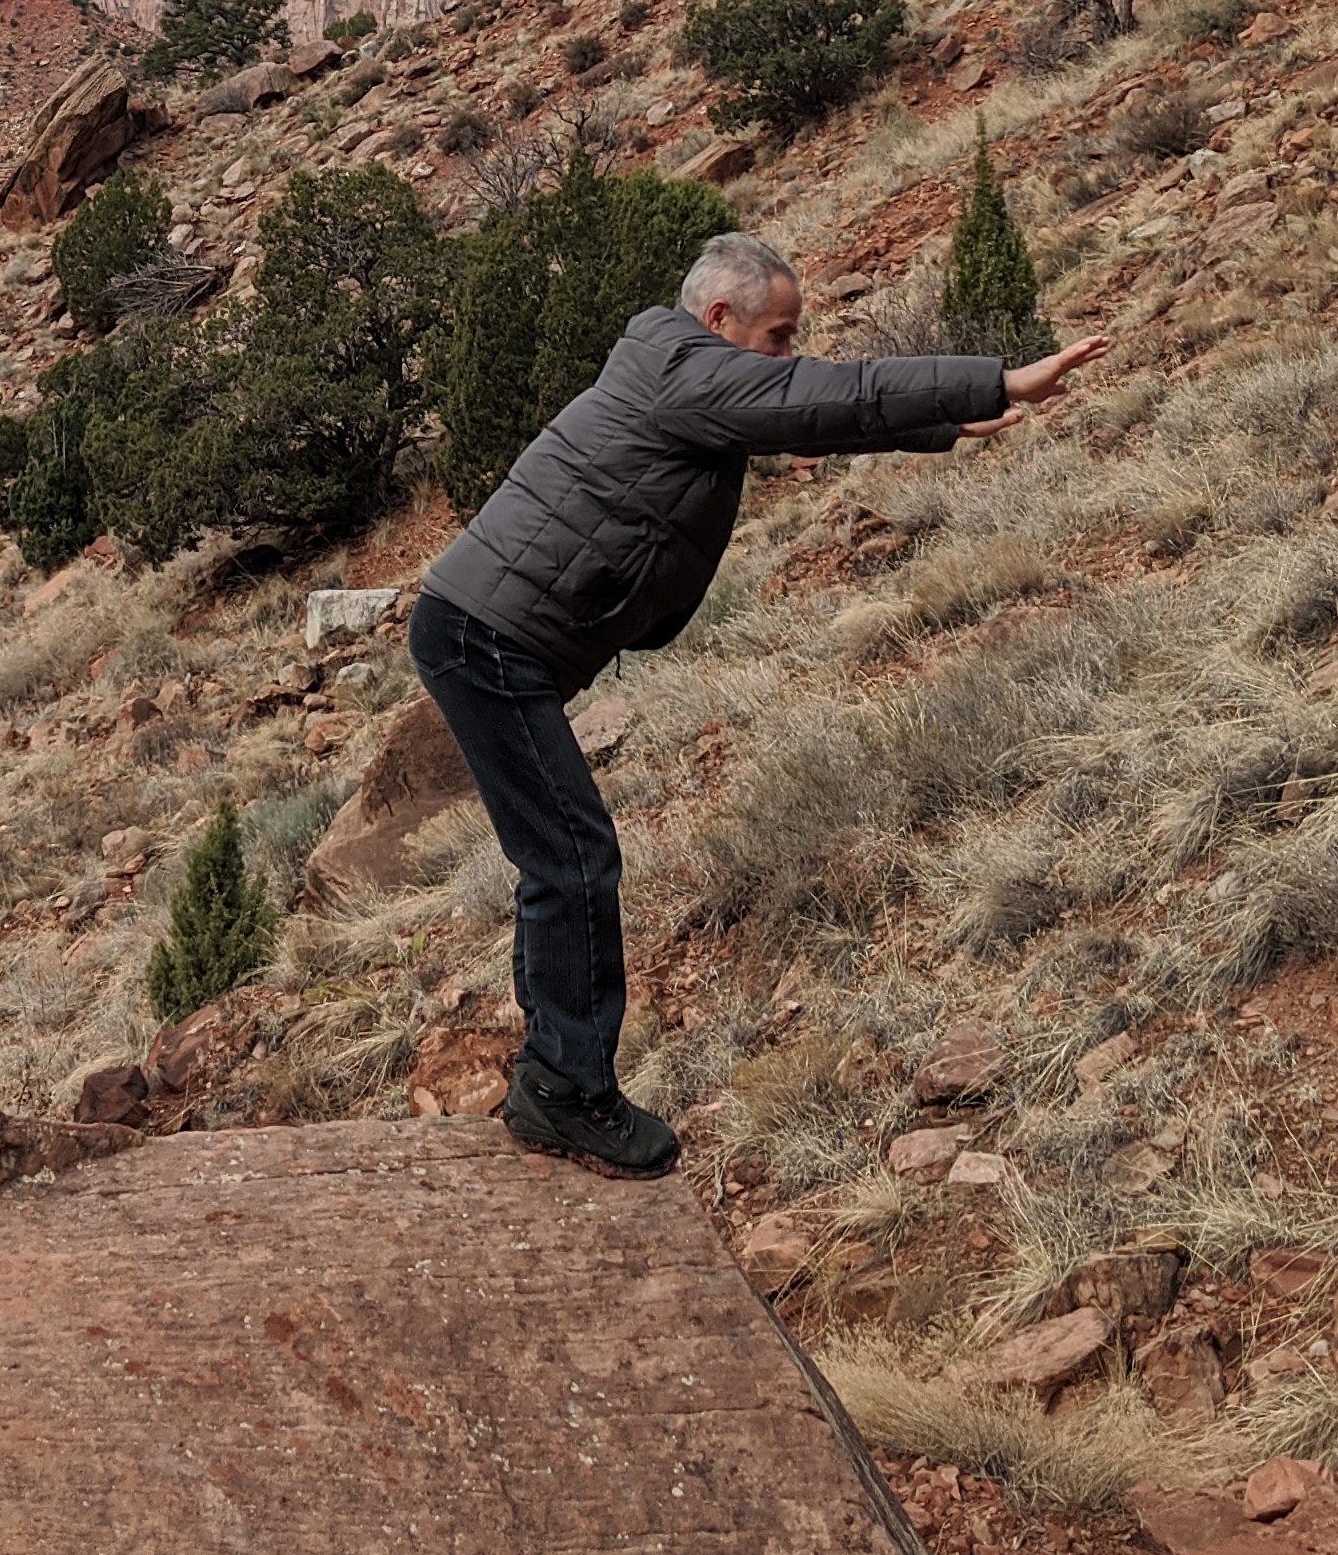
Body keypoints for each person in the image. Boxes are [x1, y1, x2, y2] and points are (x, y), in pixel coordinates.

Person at [413, 231, 1109, 1177]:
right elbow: (824, 395)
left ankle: (553, 1071)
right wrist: (994, 382)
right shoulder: (684, 370)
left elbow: (803, 415)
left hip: (485, 631)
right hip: (487, 640)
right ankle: (565, 1088)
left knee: (559, 857)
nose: (789, 354)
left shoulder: (682, 370)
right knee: (572, 857)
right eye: (779, 334)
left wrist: (942, 425)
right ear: (720, 319)